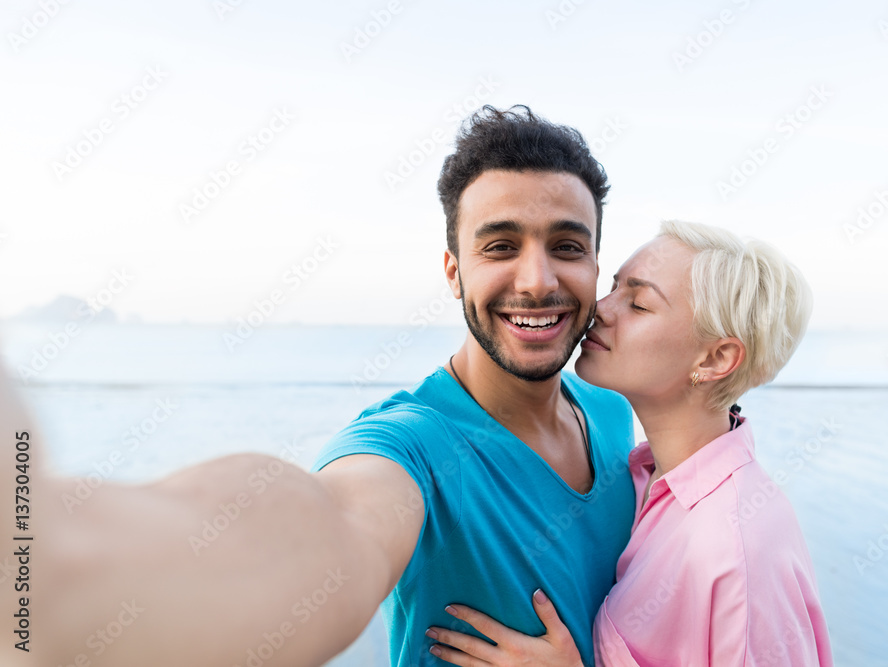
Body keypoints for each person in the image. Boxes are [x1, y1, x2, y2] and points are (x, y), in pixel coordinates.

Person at [0, 105, 636, 667]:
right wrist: (56, 562)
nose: (536, 279)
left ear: (594, 265)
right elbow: (338, 526)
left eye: (566, 246)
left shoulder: (612, 412)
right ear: (453, 272)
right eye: (500, 246)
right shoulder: (413, 447)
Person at [425, 221, 835, 666]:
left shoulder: (737, 546)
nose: (599, 308)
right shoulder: (644, 477)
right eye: (614, 287)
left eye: (638, 304)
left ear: (716, 358)